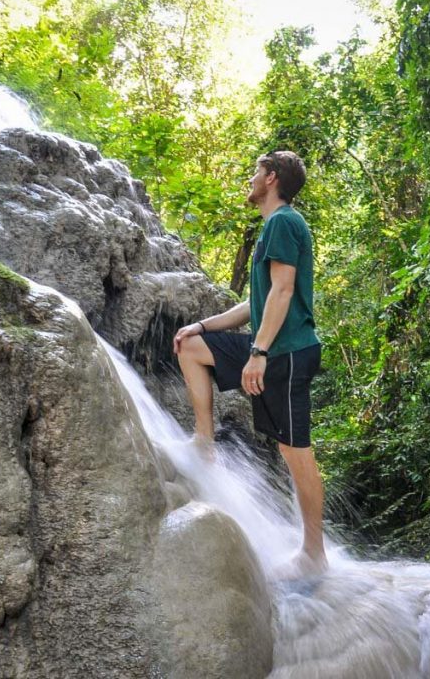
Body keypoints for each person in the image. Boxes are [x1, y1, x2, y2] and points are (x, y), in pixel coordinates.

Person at [172, 150, 326, 577]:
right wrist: (200, 326)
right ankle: (204, 444)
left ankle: (314, 554)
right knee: (191, 348)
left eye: (256, 172)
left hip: (287, 353)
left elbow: (282, 291)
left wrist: (257, 353)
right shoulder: (274, 228)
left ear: (271, 178)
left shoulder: (282, 222)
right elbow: (254, 303)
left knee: (296, 453)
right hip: (273, 348)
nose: (251, 179)